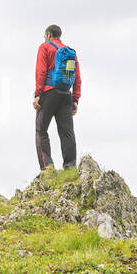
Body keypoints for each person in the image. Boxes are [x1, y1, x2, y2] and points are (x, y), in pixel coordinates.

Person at [33, 24, 81, 171]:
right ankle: (70, 166)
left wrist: (37, 94)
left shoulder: (45, 47)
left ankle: (47, 169)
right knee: (67, 132)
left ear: (48, 34)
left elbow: (41, 72)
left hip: (48, 93)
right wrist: (75, 99)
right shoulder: (70, 52)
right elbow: (77, 77)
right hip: (66, 94)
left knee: (41, 130)